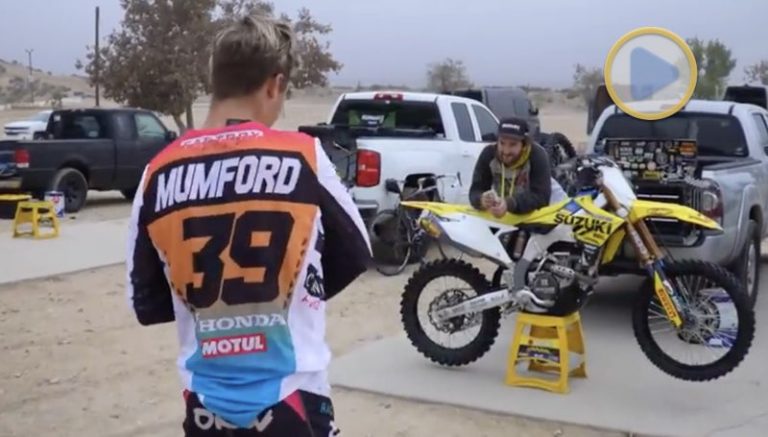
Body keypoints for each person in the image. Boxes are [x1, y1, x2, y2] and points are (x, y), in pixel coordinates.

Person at [125, 13, 371, 437]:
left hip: (205, 407)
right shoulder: (304, 155)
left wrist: (210, 311)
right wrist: (288, 296)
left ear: (215, 80)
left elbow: (145, 304)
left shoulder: (157, 171)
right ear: (274, 85)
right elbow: (356, 252)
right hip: (294, 400)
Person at [468, 117, 565, 312]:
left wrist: (509, 203)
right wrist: (481, 200)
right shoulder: (488, 155)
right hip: (512, 214)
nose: (505, 150)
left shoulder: (537, 155)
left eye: (512, 145)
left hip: (547, 210)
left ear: (524, 143)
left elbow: (541, 197)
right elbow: (475, 191)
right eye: (502, 143)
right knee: (513, 259)